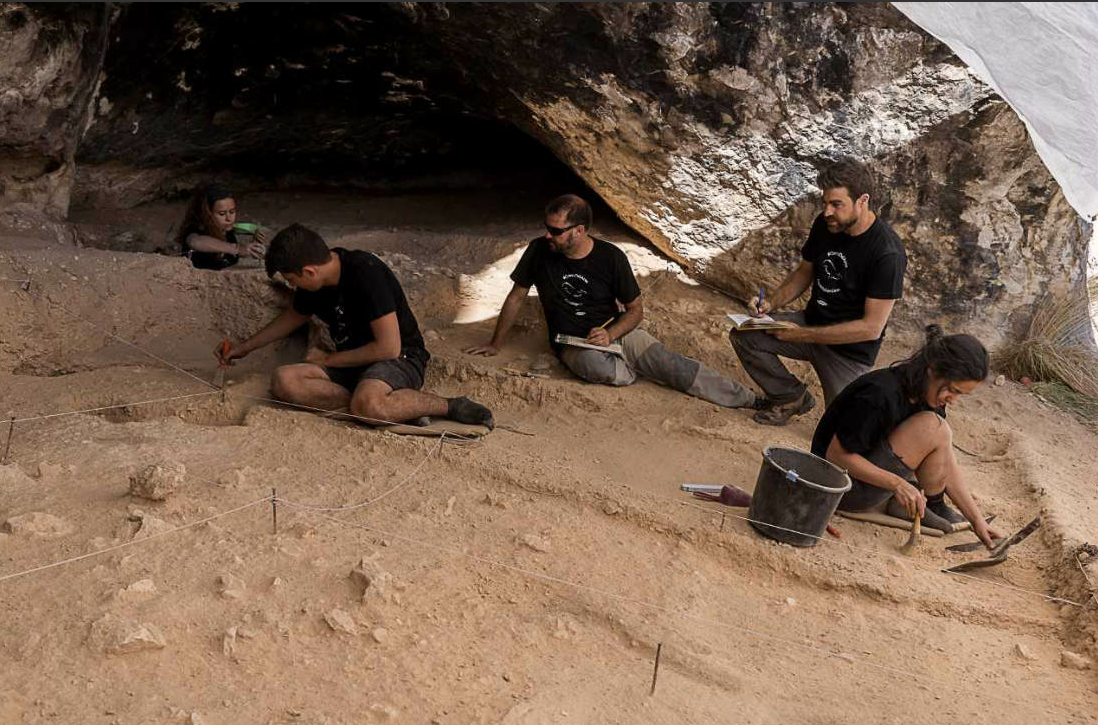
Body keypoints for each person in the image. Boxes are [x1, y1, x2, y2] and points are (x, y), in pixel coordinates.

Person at [465, 194, 758, 409]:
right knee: (601, 369)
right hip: (573, 342)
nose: (547, 234)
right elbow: (517, 296)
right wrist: (495, 343)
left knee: (673, 365)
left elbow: (635, 310)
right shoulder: (539, 250)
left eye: (555, 230)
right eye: (547, 227)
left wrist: (612, 334)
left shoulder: (610, 257)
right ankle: (631, 367)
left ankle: (747, 399)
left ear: (579, 230)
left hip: (614, 331)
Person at [216, 224, 494, 429]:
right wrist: (244, 347)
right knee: (284, 380)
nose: (291, 286)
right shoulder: (316, 282)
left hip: (400, 358)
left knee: (369, 404)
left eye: (292, 280)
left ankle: (449, 405)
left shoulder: (366, 273)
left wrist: (328, 359)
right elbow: (292, 317)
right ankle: (393, 408)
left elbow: (388, 347)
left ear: (309, 271)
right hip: (353, 361)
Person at [731, 158, 907, 425]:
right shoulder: (827, 224)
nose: (827, 211)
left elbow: (871, 328)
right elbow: (805, 272)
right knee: (745, 335)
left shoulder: (887, 253)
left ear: (862, 200)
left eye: (837, 204)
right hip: (811, 323)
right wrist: (772, 304)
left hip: (848, 353)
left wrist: (802, 335)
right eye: (825, 202)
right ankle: (790, 397)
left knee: (843, 431)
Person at [811, 325, 1002, 545]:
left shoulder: (927, 393)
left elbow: (945, 460)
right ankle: (917, 502)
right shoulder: (880, 394)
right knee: (932, 427)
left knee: (938, 430)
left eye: (960, 394)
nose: (953, 399)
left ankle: (932, 504)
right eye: (953, 390)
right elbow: (835, 455)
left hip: (868, 479)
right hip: (836, 486)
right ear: (933, 369)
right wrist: (898, 484)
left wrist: (977, 520)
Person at [176, 182, 267, 270]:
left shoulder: (225, 227)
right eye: (222, 214)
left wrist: (255, 231)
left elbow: (240, 227)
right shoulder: (196, 229)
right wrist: (237, 248)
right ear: (207, 214)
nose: (229, 218)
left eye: (232, 212)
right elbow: (195, 242)